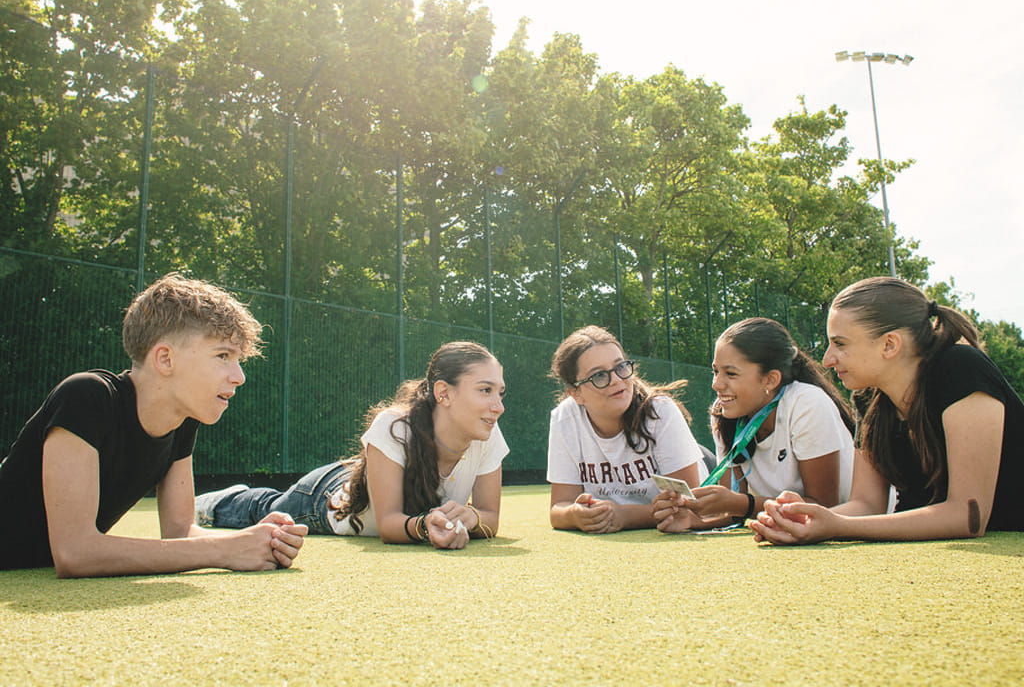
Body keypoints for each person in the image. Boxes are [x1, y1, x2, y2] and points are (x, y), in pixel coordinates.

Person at [0, 273, 307, 576]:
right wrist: (224, 550)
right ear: (165, 359)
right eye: (223, 355)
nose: (239, 376)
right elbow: (74, 552)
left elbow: (181, 534)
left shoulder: (183, 422)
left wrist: (254, 539)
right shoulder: (87, 396)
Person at [750, 277, 1024, 545]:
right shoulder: (869, 399)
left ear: (889, 344)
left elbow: (968, 516)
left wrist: (838, 525)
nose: (828, 359)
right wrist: (802, 520)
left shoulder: (961, 368)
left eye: (840, 344)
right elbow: (866, 504)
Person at [194, 341, 509, 550]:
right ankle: (219, 501)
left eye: (500, 393)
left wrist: (472, 518)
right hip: (325, 501)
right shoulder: (395, 427)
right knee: (266, 509)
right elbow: (388, 525)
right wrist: (425, 526)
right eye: (485, 390)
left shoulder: (488, 433)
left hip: (353, 476)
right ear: (444, 393)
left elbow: (490, 517)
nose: (498, 406)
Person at [653, 317, 856, 533]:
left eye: (731, 373)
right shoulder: (724, 413)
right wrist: (690, 519)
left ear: (770, 380)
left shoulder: (807, 402)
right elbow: (731, 511)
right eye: (715, 371)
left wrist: (741, 503)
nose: (716, 384)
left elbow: (824, 506)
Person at [546, 325, 707, 533]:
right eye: (599, 376)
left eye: (620, 367)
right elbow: (559, 508)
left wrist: (625, 516)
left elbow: (687, 508)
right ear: (576, 394)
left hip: (704, 465)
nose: (616, 380)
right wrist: (575, 515)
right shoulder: (564, 418)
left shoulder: (661, 411)